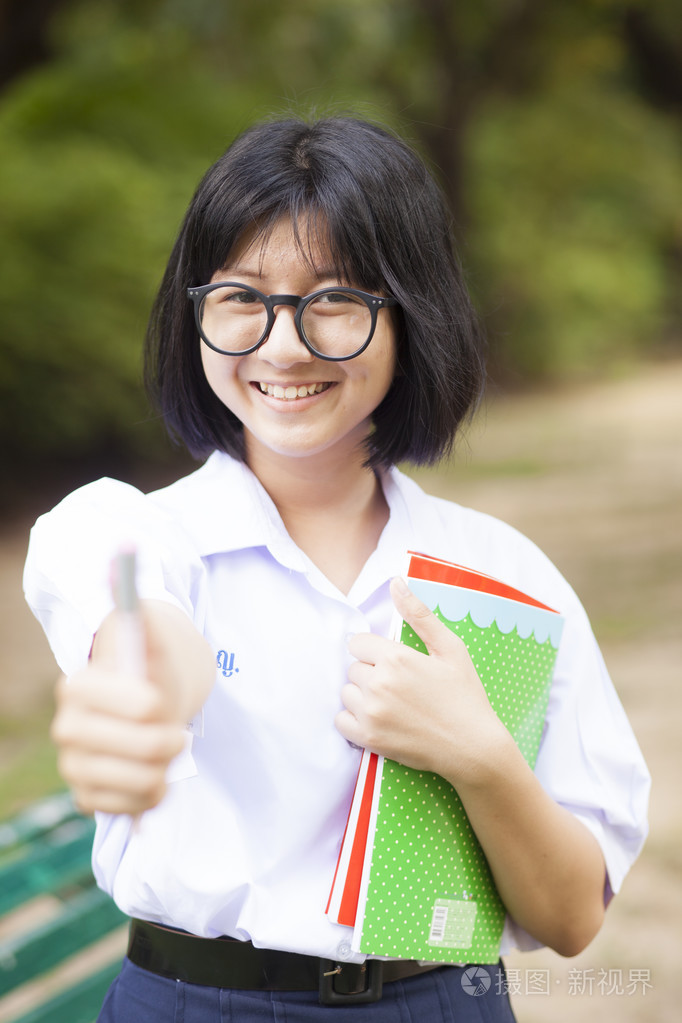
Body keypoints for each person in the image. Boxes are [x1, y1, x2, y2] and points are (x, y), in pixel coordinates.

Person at [23, 115, 649, 1022]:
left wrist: (478, 756)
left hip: (437, 1003)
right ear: (193, 310)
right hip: (190, 1004)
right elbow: (116, 589)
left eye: (335, 300)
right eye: (242, 295)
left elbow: (571, 916)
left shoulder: (505, 577)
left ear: (412, 315)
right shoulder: (148, 537)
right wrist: (143, 666)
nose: (283, 346)